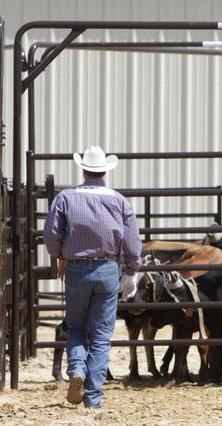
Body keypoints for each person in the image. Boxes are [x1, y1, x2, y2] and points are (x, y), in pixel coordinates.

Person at [43, 145, 141, 410]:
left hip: (75, 268)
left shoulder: (65, 198)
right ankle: (93, 396)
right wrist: (131, 271)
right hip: (108, 269)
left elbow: (51, 235)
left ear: (83, 169)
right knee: (100, 335)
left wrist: (61, 256)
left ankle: (76, 368)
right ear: (105, 172)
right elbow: (132, 241)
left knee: (75, 326)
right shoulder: (119, 201)